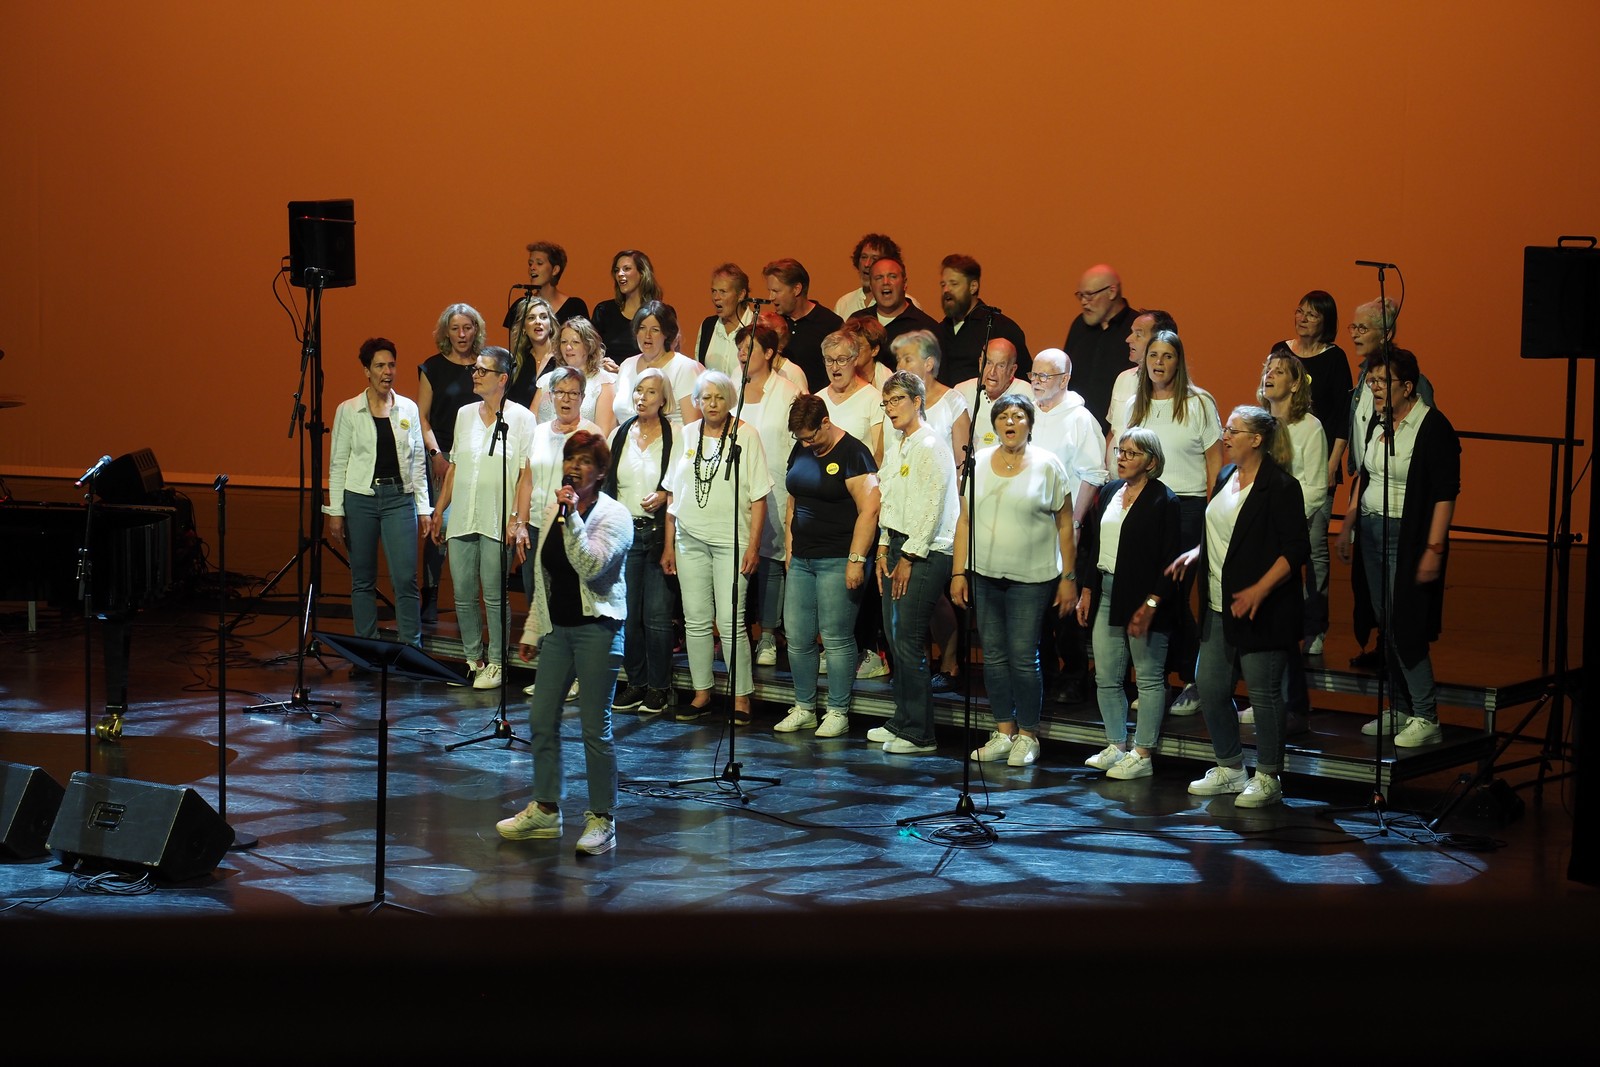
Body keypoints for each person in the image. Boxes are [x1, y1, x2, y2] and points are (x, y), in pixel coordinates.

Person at [496, 431, 631, 856]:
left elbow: (590, 565)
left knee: (595, 727)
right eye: (570, 457)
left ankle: (602, 819)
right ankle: (547, 809)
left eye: (585, 460)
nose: (574, 466)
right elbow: (544, 577)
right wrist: (533, 630)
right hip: (558, 631)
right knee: (540, 719)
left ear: (601, 472)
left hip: (598, 630)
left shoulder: (615, 516)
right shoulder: (558, 512)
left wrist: (571, 516)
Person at [1169, 405, 1309, 808]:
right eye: (1226, 429)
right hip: (1217, 603)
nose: (1225, 436)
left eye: (1233, 430)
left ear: (1257, 439)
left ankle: (1269, 776)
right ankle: (1230, 767)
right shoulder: (1228, 476)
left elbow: (1295, 548)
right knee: (1210, 688)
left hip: (1262, 609)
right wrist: (1197, 552)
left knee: (1264, 695)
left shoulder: (1280, 486)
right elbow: (1221, 528)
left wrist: (1260, 590)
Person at [1336, 348, 1459, 747]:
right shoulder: (1379, 422)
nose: (1374, 388)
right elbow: (1366, 476)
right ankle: (1402, 707)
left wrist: (1433, 549)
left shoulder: (1433, 427)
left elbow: (1444, 494)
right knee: (1384, 620)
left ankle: (1427, 715)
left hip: (1408, 536)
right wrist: (1348, 524)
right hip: (1371, 531)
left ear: (1407, 386)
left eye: (1382, 381)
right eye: (1371, 381)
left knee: (1405, 623)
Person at [950, 394, 1078, 768]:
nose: (1010, 422)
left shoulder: (1048, 465)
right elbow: (964, 521)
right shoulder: (978, 464)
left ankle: (1028, 734)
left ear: (1029, 423)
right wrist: (960, 571)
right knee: (993, 656)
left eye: (1018, 416)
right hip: (986, 575)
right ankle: (1003, 731)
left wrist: (1069, 577)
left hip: (1032, 579)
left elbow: (1066, 524)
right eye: (1003, 416)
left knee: (1023, 657)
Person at [661, 371, 771, 724]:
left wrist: (754, 546)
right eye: (705, 398)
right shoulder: (687, 434)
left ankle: (741, 699)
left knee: (730, 621)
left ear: (729, 400)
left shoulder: (746, 436)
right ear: (696, 401)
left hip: (732, 542)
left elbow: (759, 498)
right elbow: (672, 495)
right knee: (695, 620)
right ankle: (701, 693)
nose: (711, 404)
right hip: (689, 539)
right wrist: (668, 544)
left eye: (718, 398)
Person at [427, 346, 537, 691]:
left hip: (497, 518)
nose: (475, 375)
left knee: (493, 593)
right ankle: (472, 660)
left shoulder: (521, 419)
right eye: (474, 369)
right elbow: (455, 466)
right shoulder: (464, 415)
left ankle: (498, 662)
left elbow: (525, 474)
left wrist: (517, 519)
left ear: (502, 379)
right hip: (462, 515)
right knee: (461, 592)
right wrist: (439, 510)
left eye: (482, 371)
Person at [1075, 428, 1181, 779]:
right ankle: (1116, 744)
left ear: (1151, 460)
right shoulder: (1109, 492)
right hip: (1106, 589)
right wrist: (1088, 589)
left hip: (1145, 598)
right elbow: (1095, 548)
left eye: (1131, 453)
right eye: (1120, 451)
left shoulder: (1164, 500)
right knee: (1106, 675)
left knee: (1149, 678)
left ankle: (1143, 753)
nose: (1121, 458)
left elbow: (1170, 559)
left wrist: (1152, 603)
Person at [774, 394, 881, 738]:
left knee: (835, 637)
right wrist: (790, 548)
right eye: (800, 438)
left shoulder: (853, 453)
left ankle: (838, 710)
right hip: (803, 557)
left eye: (811, 436)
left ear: (825, 422)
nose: (807, 443)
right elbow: (794, 498)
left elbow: (870, 509)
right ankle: (805, 707)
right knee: (798, 636)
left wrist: (856, 559)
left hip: (838, 557)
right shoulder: (803, 448)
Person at [1127, 329, 1221, 716]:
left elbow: (1215, 460)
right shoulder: (1137, 404)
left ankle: (1193, 680)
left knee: (1176, 594)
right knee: (1153, 593)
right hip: (1147, 507)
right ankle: (1157, 682)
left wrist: (1212, 510)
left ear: (1178, 362)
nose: (1159, 363)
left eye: (1167, 356)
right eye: (1153, 355)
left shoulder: (1198, 403)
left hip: (1187, 507)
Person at [867, 371, 958, 755]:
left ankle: (920, 732)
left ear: (917, 401)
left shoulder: (931, 444)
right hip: (900, 544)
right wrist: (885, 545)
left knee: (908, 638)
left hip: (927, 549)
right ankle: (902, 719)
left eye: (897, 400)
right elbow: (891, 497)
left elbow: (932, 506)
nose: (890, 410)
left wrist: (908, 555)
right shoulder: (901, 443)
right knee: (893, 633)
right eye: (886, 403)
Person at [324, 337, 431, 649]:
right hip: (361, 500)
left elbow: (418, 463)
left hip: (400, 499)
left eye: (392, 365)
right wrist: (336, 511)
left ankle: (411, 648)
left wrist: (423, 508)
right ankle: (366, 647)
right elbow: (338, 463)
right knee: (363, 580)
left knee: (405, 580)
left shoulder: (407, 408)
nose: (387, 371)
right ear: (366, 371)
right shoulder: (349, 410)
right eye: (380, 366)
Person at [1029, 346, 1110, 704]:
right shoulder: (1027, 411)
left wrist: (1075, 524)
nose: (1037, 382)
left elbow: (1093, 475)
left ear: (1065, 380)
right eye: (1034, 374)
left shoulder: (1080, 419)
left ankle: (1076, 674)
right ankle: (1044, 673)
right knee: (1036, 607)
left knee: (1065, 607)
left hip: (1067, 527)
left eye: (1045, 376)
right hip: (1031, 526)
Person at [890, 329, 967, 687]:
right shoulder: (898, 407)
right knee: (911, 609)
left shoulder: (952, 403)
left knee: (933, 598)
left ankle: (949, 662)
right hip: (905, 518)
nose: (899, 365)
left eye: (907, 359)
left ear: (929, 363)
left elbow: (960, 465)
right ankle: (915, 670)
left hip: (939, 523)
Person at [1279, 291, 1350, 655]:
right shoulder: (1280, 350)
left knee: (1315, 550)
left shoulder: (1334, 358)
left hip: (1318, 465)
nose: (1303, 318)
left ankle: (1316, 625)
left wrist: (1333, 463)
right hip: (1282, 467)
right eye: (1300, 311)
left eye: (1312, 314)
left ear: (1326, 321)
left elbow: (1341, 416)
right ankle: (1285, 622)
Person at [604, 368, 678, 717]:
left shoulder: (675, 434)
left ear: (663, 399)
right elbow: (607, 486)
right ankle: (636, 681)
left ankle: (659, 687)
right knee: (627, 615)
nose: (642, 397)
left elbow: (680, 486)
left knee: (658, 617)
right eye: (638, 390)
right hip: (625, 533)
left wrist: (664, 494)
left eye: (651, 392)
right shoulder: (620, 433)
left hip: (658, 532)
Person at [819, 328, 888, 679]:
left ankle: (868, 650)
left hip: (859, 504)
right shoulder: (817, 400)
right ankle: (835, 647)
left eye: (843, 359)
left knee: (857, 580)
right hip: (824, 506)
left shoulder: (872, 398)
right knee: (829, 579)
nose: (836, 367)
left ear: (857, 359)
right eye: (830, 360)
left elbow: (879, 450)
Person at [735, 318, 803, 671]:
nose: (742, 354)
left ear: (770, 353)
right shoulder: (731, 388)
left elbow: (795, 443)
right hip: (736, 489)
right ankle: (738, 633)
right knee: (739, 559)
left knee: (772, 562)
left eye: (749, 349)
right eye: (740, 349)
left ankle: (768, 636)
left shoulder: (788, 391)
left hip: (775, 485)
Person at [513, 366, 602, 635]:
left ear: (583, 398)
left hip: (572, 527)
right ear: (550, 396)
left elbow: (600, 487)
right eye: (560, 392)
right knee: (536, 596)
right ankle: (544, 667)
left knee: (570, 597)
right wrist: (520, 522)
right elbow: (527, 480)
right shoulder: (537, 432)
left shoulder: (592, 435)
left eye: (573, 393)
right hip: (538, 526)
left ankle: (574, 671)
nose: (566, 399)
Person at [418, 302, 488, 625]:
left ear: (476, 330)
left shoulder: (486, 367)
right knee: (438, 528)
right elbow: (423, 417)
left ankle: (472, 603)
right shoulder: (432, 367)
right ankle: (430, 597)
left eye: (467, 327)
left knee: (476, 530)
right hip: (443, 459)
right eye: (455, 328)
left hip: (480, 461)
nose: (462, 334)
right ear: (446, 332)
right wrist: (436, 457)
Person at [1063, 263, 1138, 433]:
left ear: (1112, 291)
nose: (1083, 302)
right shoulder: (1079, 326)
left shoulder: (1137, 329)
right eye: (1080, 295)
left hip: (1120, 436)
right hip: (1077, 433)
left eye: (1089, 295)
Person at [935, 253, 1030, 384]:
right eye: (943, 284)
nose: (946, 290)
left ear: (973, 287)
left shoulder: (1001, 328)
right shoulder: (938, 331)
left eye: (954, 284)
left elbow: (1022, 383)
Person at [609, 300, 702, 428]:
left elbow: (693, 428)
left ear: (666, 334)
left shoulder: (685, 368)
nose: (647, 335)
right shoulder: (627, 365)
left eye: (655, 330)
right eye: (642, 328)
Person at [1107, 308, 1178, 468]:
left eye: (1138, 334)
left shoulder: (1176, 392)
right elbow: (1114, 430)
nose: (1128, 339)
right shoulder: (1123, 379)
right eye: (1132, 332)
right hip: (1116, 484)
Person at [764, 257, 842, 391]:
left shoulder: (831, 323)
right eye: (770, 291)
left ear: (796, 289)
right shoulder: (772, 325)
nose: (771, 297)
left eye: (776, 291)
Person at [531, 316, 617, 437]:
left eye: (575, 342)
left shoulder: (603, 382)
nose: (568, 348)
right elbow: (530, 425)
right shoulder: (546, 380)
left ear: (589, 345)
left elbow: (603, 435)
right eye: (564, 342)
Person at [847, 256, 939, 365]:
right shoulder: (857, 322)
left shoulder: (926, 327)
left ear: (904, 284)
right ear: (871, 286)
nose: (885, 282)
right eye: (879, 278)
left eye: (892, 277)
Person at [501, 240, 588, 344]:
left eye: (539, 263)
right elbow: (514, 348)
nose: (532, 268)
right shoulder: (521, 305)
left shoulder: (575, 306)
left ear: (555, 270)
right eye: (530, 263)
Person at [954, 338, 1033, 453]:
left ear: (1012, 370)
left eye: (1001, 366)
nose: (992, 372)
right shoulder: (961, 392)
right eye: (988, 363)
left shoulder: (1028, 395)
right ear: (980, 363)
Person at [591, 249, 661, 364]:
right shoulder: (604, 311)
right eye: (617, 270)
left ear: (642, 273)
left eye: (626, 269)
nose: (620, 274)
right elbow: (592, 352)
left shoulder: (659, 313)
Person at [695, 263, 752, 379]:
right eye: (713, 291)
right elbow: (699, 371)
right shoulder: (708, 326)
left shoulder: (757, 326)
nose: (716, 297)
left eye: (723, 291)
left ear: (741, 295)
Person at [833, 233, 905, 319]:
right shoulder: (844, 303)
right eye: (864, 257)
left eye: (874, 258)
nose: (867, 264)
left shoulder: (904, 304)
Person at [507, 295, 560, 410]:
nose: (538, 322)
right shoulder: (518, 361)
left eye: (543, 317)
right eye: (531, 318)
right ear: (524, 328)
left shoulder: (563, 358)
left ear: (550, 325)